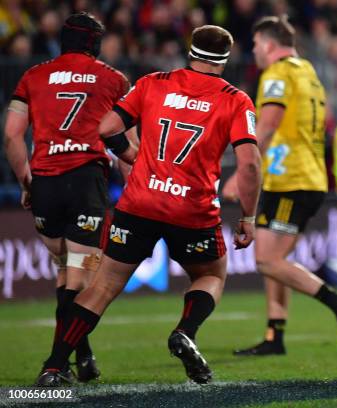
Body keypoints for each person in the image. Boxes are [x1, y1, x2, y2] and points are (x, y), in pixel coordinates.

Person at [35, 24, 262, 386]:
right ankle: (185, 331)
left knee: (103, 285)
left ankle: (53, 367)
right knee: (210, 275)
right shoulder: (235, 99)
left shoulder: (153, 82)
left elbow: (107, 126)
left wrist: (133, 155)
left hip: (139, 202)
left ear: (191, 51)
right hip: (191, 208)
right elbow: (249, 163)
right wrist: (248, 217)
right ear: (225, 58)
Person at [223, 15, 337, 356]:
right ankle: (275, 335)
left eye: (256, 44)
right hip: (307, 176)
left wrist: (241, 171)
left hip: (290, 181)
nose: (254, 50)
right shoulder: (309, 72)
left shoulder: (277, 73)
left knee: (267, 260)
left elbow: (267, 125)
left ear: (269, 45)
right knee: (276, 259)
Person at [4, 12, 130, 384]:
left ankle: (84, 356)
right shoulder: (113, 79)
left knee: (64, 272)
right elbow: (129, 145)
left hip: (44, 181)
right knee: (80, 281)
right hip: (85, 180)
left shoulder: (33, 76)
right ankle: (54, 366)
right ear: (95, 42)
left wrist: (27, 182)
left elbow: (12, 136)